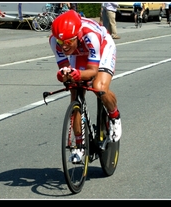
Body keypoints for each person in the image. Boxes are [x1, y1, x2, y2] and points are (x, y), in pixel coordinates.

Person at [49, 10, 122, 162]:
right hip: (80, 53)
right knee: (74, 92)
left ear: (76, 36)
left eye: (68, 42)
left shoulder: (90, 36)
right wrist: (65, 75)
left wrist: (79, 75)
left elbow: (92, 70)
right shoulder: (55, 41)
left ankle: (114, 116)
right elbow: (64, 67)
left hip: (102, 48)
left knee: (99, 87)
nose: (63, 46)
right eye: (60, 42)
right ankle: (79, 145)